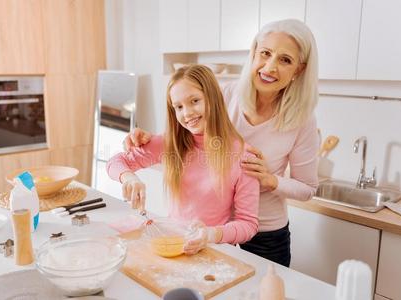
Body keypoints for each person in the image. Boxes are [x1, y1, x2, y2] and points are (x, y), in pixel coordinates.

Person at [124, 19, 319, 267]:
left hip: (266, 231)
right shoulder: (225, 95)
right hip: (213, 227)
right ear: (254, 53)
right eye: (266, 54)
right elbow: (189, 130)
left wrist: (271, 180)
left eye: (285, 60)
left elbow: (308, 188)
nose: (270, 67)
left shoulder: (302, 120)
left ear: (299, 70)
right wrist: (147, 138)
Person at [107, 64, 260, 255]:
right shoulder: (169, 144)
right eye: (178, 106)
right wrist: (129, 178)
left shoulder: (243, 156)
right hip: (174, 245)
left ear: (214, 99)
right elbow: (115, 162)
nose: (186, 113)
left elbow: (248, 225)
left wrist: (210, 235)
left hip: (215, 253)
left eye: (194, 101)